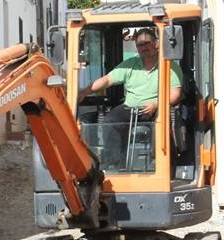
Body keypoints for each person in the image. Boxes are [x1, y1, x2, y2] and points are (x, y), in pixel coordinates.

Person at [77, 28, 183, 168]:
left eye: (147, 43)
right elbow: (107, 80)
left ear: (156, 43)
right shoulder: (131, 64)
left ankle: (167, 167)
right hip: (130, 108)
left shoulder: (169, 66)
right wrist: (85, 92)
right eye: (140, 45)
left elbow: (175, 94)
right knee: (111, 120)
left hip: (156, 108)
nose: (144, 47)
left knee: (162, 126)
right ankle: (115, 164)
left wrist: (157, 104)